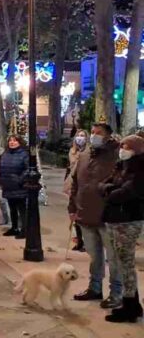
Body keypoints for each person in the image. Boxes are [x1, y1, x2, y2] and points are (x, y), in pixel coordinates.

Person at [69, 123, 123, 309]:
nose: (93, 136)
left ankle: (117, 293)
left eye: (98, 133)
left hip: (109, 216)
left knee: (114, 258)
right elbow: (76, 183)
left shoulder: (117, 155)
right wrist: (72, 207)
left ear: (108, 136)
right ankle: (95, 287)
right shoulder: (84, 155)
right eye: (92, 132)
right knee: (94, 256)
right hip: (86, 214)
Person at [101, 135, 144, 323]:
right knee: (122, 263)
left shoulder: (140, 168)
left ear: (135, 149)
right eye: (122, 146)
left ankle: (130, 307)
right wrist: (109, 189)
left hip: (128, 220)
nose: (122, 150)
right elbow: (104, 184)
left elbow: (127, 192)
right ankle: (132, 303)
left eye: (126, 147)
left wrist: (109, 191)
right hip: (115, 219)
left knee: (126, 264)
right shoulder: (122, 166)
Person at [0, 135, 29, 239]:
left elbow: (27, 169)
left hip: (19, 186)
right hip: (8, 185)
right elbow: (1, 167)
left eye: (15, 141)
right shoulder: (5, 154)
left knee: (21, 208)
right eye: (10, 140)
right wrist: (1, 180)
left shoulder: (24, 154)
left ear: (20, 142)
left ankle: (24, 230)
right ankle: (14, 227)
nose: (12, 142)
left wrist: (20, 179)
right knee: (12, 208)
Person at [64, 130, 88, 252]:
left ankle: (85, 241)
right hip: (73, 183)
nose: (80, 138)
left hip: (84, 184)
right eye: (78, 135)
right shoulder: (72, 151)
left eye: (82, 136)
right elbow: (69, 168)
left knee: (83, 214)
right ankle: (79, 240)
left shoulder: (89, 152)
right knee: (73, 212)